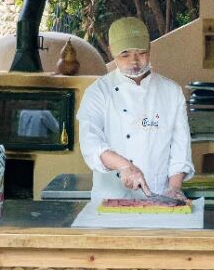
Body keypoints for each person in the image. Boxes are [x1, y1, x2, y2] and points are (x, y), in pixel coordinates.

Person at [78, 17, 192, 200]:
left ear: (149, 48)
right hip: (111, 199)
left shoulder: (171, 92)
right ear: (111, 51)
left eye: (141, 53)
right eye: (125, 54)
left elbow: (180, 147)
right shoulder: (98, 92)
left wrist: (174, 188)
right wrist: (124, 166)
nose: (134, 61)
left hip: (159, 196)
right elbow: (90, 142)